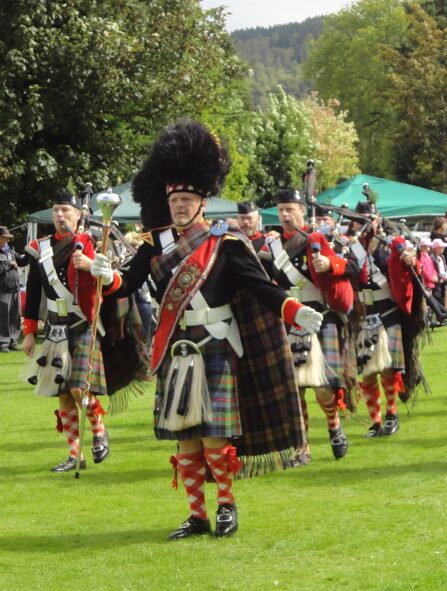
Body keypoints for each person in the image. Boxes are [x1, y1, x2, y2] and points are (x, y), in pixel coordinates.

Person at [91, 120, 323, 539]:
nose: (179, 206)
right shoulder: (154, 244)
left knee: (215, 437)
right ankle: (196, 515)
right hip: (176, 344)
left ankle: (226, 507)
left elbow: (260, 286)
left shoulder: (225, 242)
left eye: (187, 199)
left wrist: (293, 310)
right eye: (174, 199)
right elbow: (128, 284)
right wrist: (107, 277)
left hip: (216, 344)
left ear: (202, 202)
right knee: (185, 438)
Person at [260, 188, 358, 461]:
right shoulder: (272, 246)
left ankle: (334, 425)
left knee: (323, 386)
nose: (285, 215)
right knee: (295, 388)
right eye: (281, 210)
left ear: (302, 211)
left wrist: (330, 263)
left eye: (290, 209)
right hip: (289, 320)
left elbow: (354, 266)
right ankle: (301, 447)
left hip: (320, 317)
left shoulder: (321, 239)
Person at [21, 192, 110, 472]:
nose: (60, 215)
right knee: (62, 395)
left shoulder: (90, 243)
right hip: (55, 328)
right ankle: (75, 455)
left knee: (78, 389)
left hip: (82, 322)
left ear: (77, 214)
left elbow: (104, 283)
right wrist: (29, 331)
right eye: (56, 210)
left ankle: (99, 430)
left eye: (65, 210)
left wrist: (92, 264)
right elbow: (33, 292)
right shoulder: (39, 248)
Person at [347, 202, 427, 437]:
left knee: (388, 370)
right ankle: (375, 421)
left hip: (387, 312)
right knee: (368, 372)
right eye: (358, 219)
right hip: (362, 314)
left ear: (376, 220)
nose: (363, 224)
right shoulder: (349, 248)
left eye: (367, 219)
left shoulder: (389, 246)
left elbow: (410, 273)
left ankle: (391, 414)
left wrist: (412, 261)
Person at [0, 226, 23, 352]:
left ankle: (13, 341)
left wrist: (30, 254)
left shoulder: (10, 250)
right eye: (5, 238)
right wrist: (9, 264)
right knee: (3, 317)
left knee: (15, 316)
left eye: (8, 238)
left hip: (15, 288)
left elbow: (21, 261)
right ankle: (3, 343)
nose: (8, 240)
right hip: (2, 289)